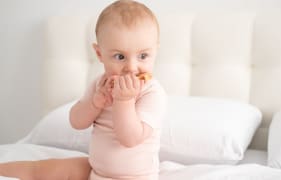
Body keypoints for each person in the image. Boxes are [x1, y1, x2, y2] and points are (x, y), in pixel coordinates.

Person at [0, 0, 166, 180]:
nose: (132, 67)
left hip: (135, 177)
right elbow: (76, 122)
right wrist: (95, 103)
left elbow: (130, 139)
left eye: (143, 56)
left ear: (155, 52)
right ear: (100, 54)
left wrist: (124, 101)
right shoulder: (99, 84)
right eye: (120, 56)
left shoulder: (151, 93)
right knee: (46, 168)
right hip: (96, 170)